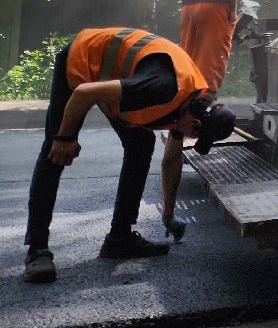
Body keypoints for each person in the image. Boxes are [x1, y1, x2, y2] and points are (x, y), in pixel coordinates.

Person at [23, 27, 236, 283]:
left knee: (141, 144)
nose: (190, 137)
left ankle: (120, 239)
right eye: (196, 135)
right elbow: (84, 93)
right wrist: (65, 137)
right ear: (196, 123)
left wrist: (168, 214)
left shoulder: (188, 108)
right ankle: (37, 251)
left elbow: (171, 159)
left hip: (116, 77)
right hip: (83, 58)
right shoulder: (162, 88)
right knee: (55, 154)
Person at [161, 0, 243, 240]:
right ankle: (202, 127)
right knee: (211, 72)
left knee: (191, 73)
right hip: (214, 10)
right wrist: (231, 11)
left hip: (189, 11)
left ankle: (187, 123)